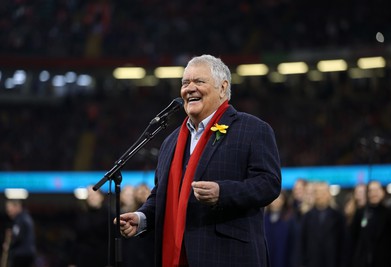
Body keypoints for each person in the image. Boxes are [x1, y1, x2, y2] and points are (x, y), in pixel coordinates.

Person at [116, 54, 282, 267]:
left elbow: (269, 184)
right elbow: (161, 194)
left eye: (199, 81)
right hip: (176, 257)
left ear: (223, 88)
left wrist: (223, 193)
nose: (189, 88)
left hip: (230, 257)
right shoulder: (171, 141)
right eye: (185, 83)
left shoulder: (252, 129)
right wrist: (142, 218)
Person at [350, 180, 391, 267]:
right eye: (371, 190)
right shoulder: (361, 212)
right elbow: (353, 238)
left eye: (376, 190)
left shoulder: (390, 213)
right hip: (363, 261)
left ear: (382, 192)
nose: (374, 193)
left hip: (383, 261)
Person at [299, 181, 346, 267]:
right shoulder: (307, 216)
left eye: (323, 192)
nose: (320, 195)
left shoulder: (338, 216)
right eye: (317, 192)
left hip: (332, 262)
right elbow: (302, 243)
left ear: (328, 195)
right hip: (312, 262)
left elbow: (343, 244)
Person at [68, 186, 114, 267]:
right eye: (89, 195)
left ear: (101, 196)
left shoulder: (110, 215)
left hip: (104, 259)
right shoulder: (81, 215)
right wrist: (72, 261)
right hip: (83, 259)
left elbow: (113, 240)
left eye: (94, 194)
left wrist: (112, 262)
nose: (92, 197)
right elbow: (77, 240)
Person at [3, 199, 36, 267]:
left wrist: (8, 245)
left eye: (9, 208)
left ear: (17, 207)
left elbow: (17, 236)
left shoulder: (20, 219)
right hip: (28, 253)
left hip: (21, 254)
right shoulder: (26, 216)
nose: (8, 211)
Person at [264, 191, 293, 267]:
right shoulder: (264, 219)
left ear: (284, 201)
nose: (276, 201)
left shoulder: (288, 219)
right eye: (274, 198)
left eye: (280, 198)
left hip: (283, 259)